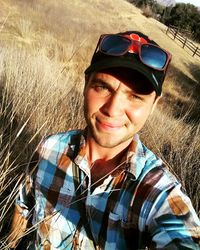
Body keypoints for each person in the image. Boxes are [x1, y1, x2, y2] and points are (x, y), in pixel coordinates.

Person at [9, 31, 200, 249]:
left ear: (154, 105)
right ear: (85, 84)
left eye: (135, 97)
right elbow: (23, 207)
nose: (112, 109)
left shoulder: (156, 193)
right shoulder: (49, 148)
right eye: (102, 87)